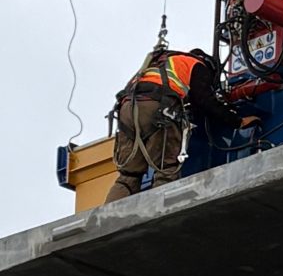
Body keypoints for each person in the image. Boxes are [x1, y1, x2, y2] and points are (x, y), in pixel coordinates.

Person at [105, 40, 252, 201]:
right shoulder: (197, 65)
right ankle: (157, 216)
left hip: (126, 110)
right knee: (166, 171)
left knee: (128, 176)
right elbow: (205, 101)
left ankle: (105, 221)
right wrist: (237, 121)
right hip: (156, 108)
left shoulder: (164, 61)